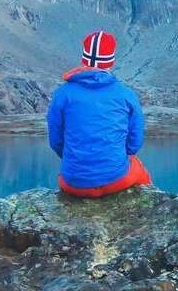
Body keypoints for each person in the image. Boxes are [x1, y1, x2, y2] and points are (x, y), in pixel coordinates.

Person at [47, 30, 152, 198]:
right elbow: (134, 143)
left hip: (73, 184)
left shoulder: (63, 93)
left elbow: (56, 142)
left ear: (83, 59)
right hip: (117, 180)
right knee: (139, 169)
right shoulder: (125, 94)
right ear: (111, 61)